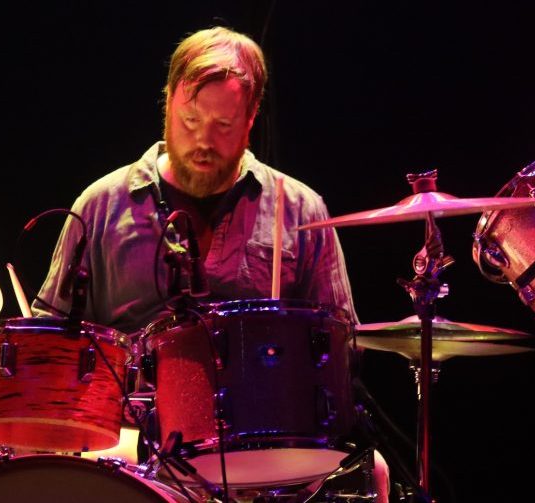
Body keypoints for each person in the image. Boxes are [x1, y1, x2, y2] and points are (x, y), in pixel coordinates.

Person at [32, 26, 389, 499]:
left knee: (376, 470)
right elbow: (50, 343)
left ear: (251, 117)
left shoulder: (299, 210)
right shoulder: (101, 206)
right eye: (190, 120)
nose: (203, 141)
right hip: (131, 445)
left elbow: (345, 347)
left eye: (223, 126)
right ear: (168, 104)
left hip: (265, 443)